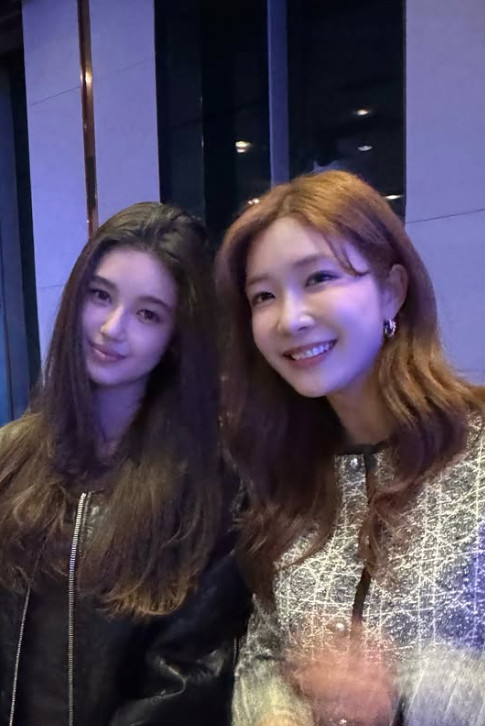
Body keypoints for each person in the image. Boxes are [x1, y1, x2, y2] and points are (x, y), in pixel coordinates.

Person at [215, 171, 485, 726]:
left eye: (318, 278)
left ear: (392, 289)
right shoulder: (282, 469)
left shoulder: (475, 452)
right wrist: (272, 713)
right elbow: (265, 652)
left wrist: (403, 692)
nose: (290, 318)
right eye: (264, 296)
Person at [0, 202, 248, 726]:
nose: (112, 328)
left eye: (148, 314)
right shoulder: (10, 455)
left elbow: (185, 682)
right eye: (101, 296)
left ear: (177, 338)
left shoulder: (209, 489)